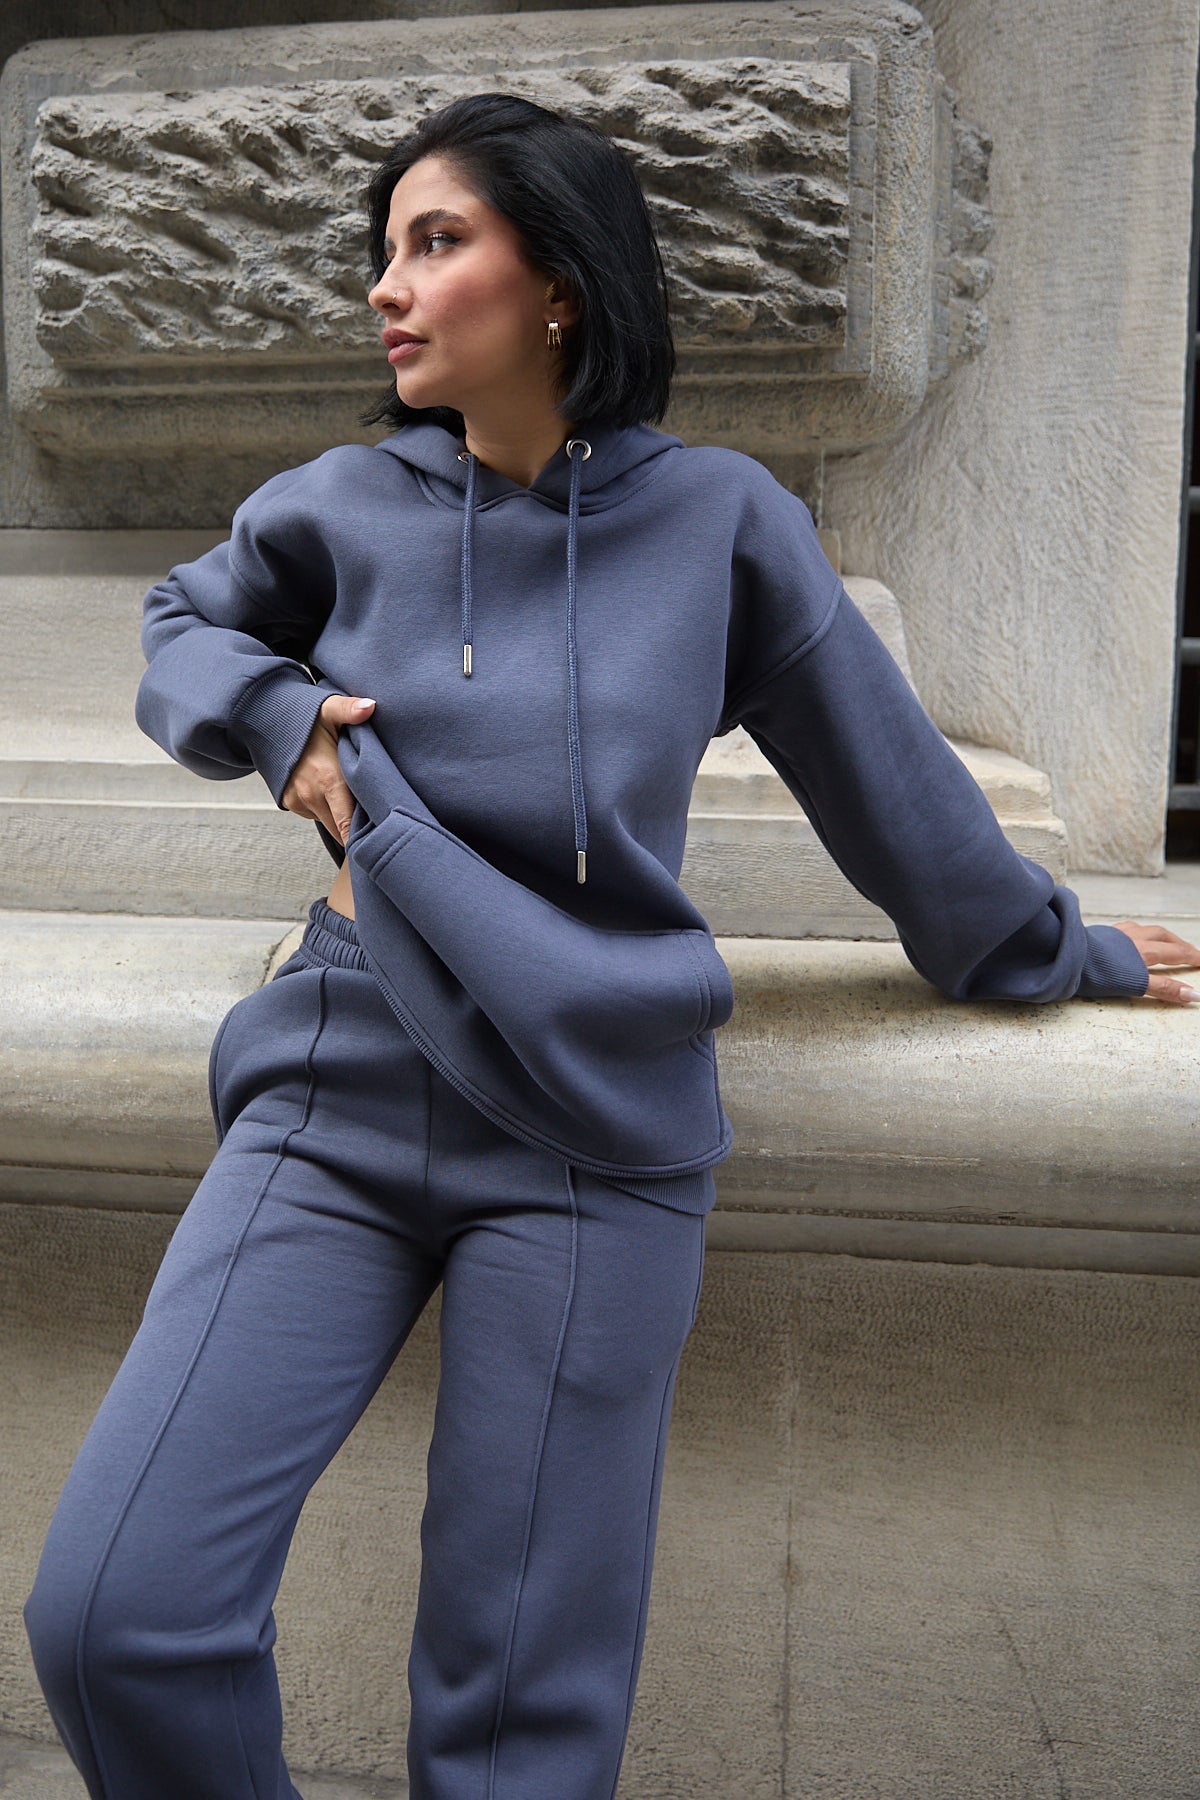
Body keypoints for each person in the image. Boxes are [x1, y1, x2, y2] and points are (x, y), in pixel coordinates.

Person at [22, 90, 1199, 1800]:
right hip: (339, 1084)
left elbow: (895, 794)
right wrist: (278, 719)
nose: (386, 286)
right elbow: (182, 620)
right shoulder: (340, 503)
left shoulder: (722, 521)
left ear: (561, 281)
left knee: (516, 1720)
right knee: (115, 1614)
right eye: (384, 250)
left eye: (437, 242)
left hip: (592, 1132)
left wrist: (1054, 948)